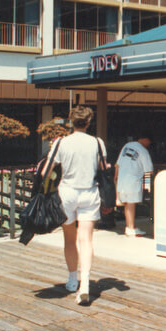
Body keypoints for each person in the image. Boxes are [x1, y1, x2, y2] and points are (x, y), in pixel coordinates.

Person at [50, 106, 106, 304]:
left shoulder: (61, 143)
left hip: (67, 193)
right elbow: (102, 168)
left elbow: (48, 171)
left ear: (70, 121)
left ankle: (73, 279)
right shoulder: (97, 143)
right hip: (89, 192)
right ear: (88, 122)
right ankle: (86, 285)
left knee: (69, 239)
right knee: (86, 240)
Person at [115, 133, 154, 237]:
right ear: (146, 139)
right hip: (133, 180)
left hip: (122, 180)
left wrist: (115, 179)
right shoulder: (143, 151)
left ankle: (129, 226)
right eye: (149, 142)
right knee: (131, 203)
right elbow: (149, 170)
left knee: (127, 204)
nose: (149, 144)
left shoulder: (127, 145)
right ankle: (131, 228)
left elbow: (117, 164)